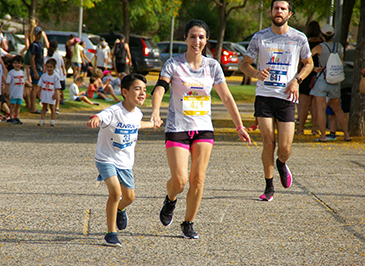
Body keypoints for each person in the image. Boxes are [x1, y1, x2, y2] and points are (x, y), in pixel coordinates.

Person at [150, 19, 251, 239]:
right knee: (180, 181)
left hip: (204, 129)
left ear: (206, 40)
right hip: (177, 127)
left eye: (202, 37)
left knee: (198, 178)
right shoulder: (173, 64)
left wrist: (239, 126)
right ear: (185, 38)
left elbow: (226, 97)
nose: (197, 41)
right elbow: (159, 88)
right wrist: (156, 111)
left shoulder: (212, 66)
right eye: (193, 36)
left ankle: (188, 223)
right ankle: (170, 200)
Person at [240, 0, 314, 202]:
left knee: (285, 148)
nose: (279, 11)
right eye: (276, 8)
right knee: (268, 143)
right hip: (264, 95)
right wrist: (256, 73)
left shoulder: (298, 38)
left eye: (283, 9)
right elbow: (244, 64)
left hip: (287, 97)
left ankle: (281, 163)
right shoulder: (260, 37)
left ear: (289, 14)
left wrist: (297, 81)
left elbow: (309, 63)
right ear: (271, 12)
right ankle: (269, 186)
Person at [87, 73, 161, 247]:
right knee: (115, 192)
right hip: (106, 158)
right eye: (137, 89)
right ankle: (111, 234)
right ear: (125, 92)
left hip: (125, 162)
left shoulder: (138, 113)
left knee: (129, 197)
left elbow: (136, 124)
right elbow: (101, 115)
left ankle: (120, 209)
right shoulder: (113, 111)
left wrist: (152, 124)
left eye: (144, 90)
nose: (142, 93)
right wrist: (95, 119)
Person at [310, 24, 351, 142]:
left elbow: (306, 58)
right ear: (333, 35)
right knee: (338, 109)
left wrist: (313, 68)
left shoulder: (319, 47)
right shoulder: (340, 47)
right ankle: (347, 135)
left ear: (321, 35)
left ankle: (323, 136)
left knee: (321, 109)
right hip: (335, 81)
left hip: (322, 79)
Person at [296, 21, 323, 136]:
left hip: (305, 74)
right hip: (318, 74)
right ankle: (314, 128)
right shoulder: (322, 44)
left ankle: (300, 128)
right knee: (315, 104)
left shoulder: (304, 43)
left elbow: (301, 61)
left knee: (303, 104)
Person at [37, 59, 61, 126]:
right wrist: (38, 92)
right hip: (45, 93)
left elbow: (57, 87)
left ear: (54, 68)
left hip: (51, 94)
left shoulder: (55, 77)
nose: (49, 68)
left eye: (51, 67)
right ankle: (42, 119)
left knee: (52, 107)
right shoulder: (44, 76)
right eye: (48, 67)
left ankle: (52, 120)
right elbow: (40, 85)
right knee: (44, 107)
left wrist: (56, 94)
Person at [6, 55, 30, 124]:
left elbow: (24, 82)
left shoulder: (22, 73)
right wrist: (8, 90)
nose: (17, 65)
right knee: (13, 105)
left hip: (20, 92)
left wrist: (24, 91)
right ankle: (11, 117)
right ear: (13, 64)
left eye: (19, 63)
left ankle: (17, 117)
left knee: (18, 105)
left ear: (21, 64)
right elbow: (8, 82)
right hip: (13, 91)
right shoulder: (11, 73)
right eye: (15, 63)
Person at [45, 40, 66, 114]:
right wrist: (64, 73)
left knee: (48, 91)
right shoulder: (58, 56)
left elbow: (44, 66)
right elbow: (62, 66)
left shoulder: (47, 56)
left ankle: (47, 107)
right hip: (58, 75)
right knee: (57, 91)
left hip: (49, 75)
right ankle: (57, 107)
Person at [30, 26, 45, 114]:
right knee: (35, 88)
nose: (39, 35)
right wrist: (35, 71)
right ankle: (33, 107)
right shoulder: (34, 45)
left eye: (40, 33)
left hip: (40, 67)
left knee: (37, 88)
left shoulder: (40, 44)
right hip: (36, 68)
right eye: (38, 33)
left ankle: (33, 105)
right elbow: (32, 58)